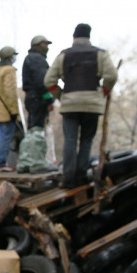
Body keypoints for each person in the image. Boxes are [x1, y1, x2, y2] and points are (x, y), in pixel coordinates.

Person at [44, 23, 118, 188]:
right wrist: (103, 91)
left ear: (74, 37)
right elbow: (111, 76)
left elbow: (49, 80)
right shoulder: (100, 54)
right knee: (86, 140)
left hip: (70, 104)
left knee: (70, 140)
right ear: (89, 37)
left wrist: (61, 96)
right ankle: (82, 177)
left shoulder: (64, 55)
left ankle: (68, 178)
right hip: (92, 104)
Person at [0, 46, 23, 172]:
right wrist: (14, 111)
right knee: (6, 137)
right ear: (9, 57)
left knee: (2, 136)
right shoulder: (9, 70)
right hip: (6, 110)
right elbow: (10, 92)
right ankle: (0, 163)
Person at [22, 35, 54, 129]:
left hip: (33, 97)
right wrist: (49, 100)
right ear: (37, 45)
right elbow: (42, 82)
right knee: (36, 129)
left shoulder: (31, 58)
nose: (47, 47)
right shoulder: (37, 59)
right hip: (37, 98)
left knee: (33, 127)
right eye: (44, 44)